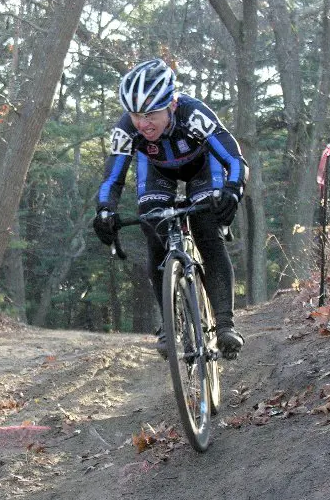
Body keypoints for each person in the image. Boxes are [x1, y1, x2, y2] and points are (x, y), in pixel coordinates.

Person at [91, 58, 246, 359]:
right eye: (135, 115)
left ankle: (225, 326)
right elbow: (113, 177)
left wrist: (232, 191)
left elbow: (235, 160)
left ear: (172, 105)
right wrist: (104, 211)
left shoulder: (194, 114)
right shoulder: (127, 129)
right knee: (154, 229)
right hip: (157, 172)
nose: (143, 123)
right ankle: (168, 325)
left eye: (151, 114)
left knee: (206, 229)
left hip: (203, 168)